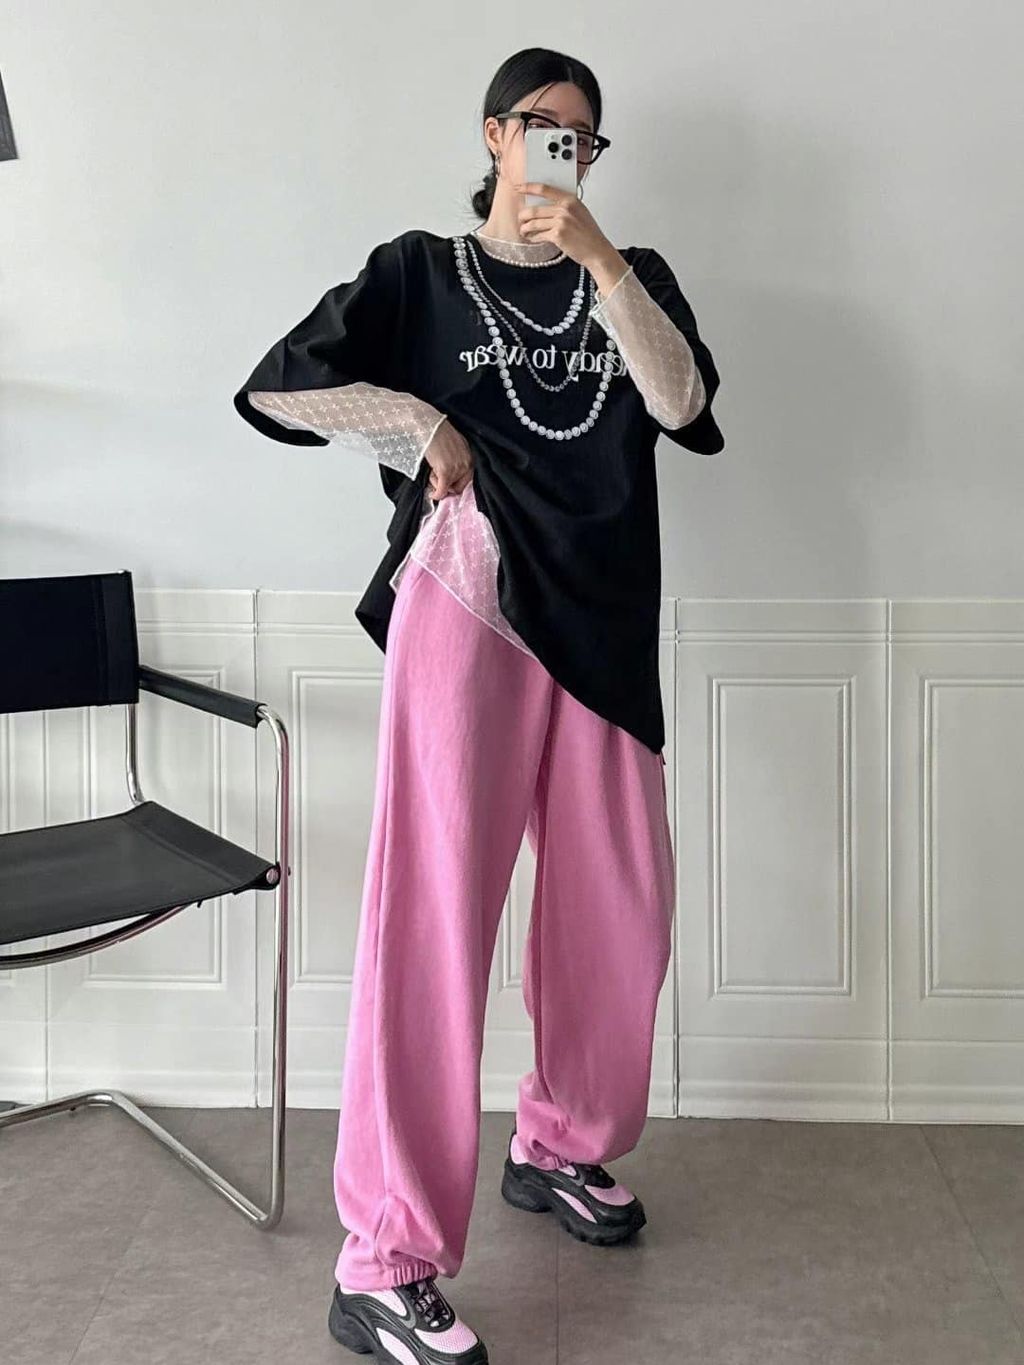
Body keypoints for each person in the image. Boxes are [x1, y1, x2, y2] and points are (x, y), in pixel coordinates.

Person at [234, 46, 723, 1365]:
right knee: (434, 920)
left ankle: (556, 1141)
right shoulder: (419, 272)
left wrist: (601, 257)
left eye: (584, 137)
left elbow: (681, 402)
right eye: (541, 126)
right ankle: (383, 1259)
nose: (563, 150)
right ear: (495, 134)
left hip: (605, 626)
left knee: (617, 913)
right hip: (469, 603)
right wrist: (416, 426)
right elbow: (280, 384)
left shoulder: (634, 276)